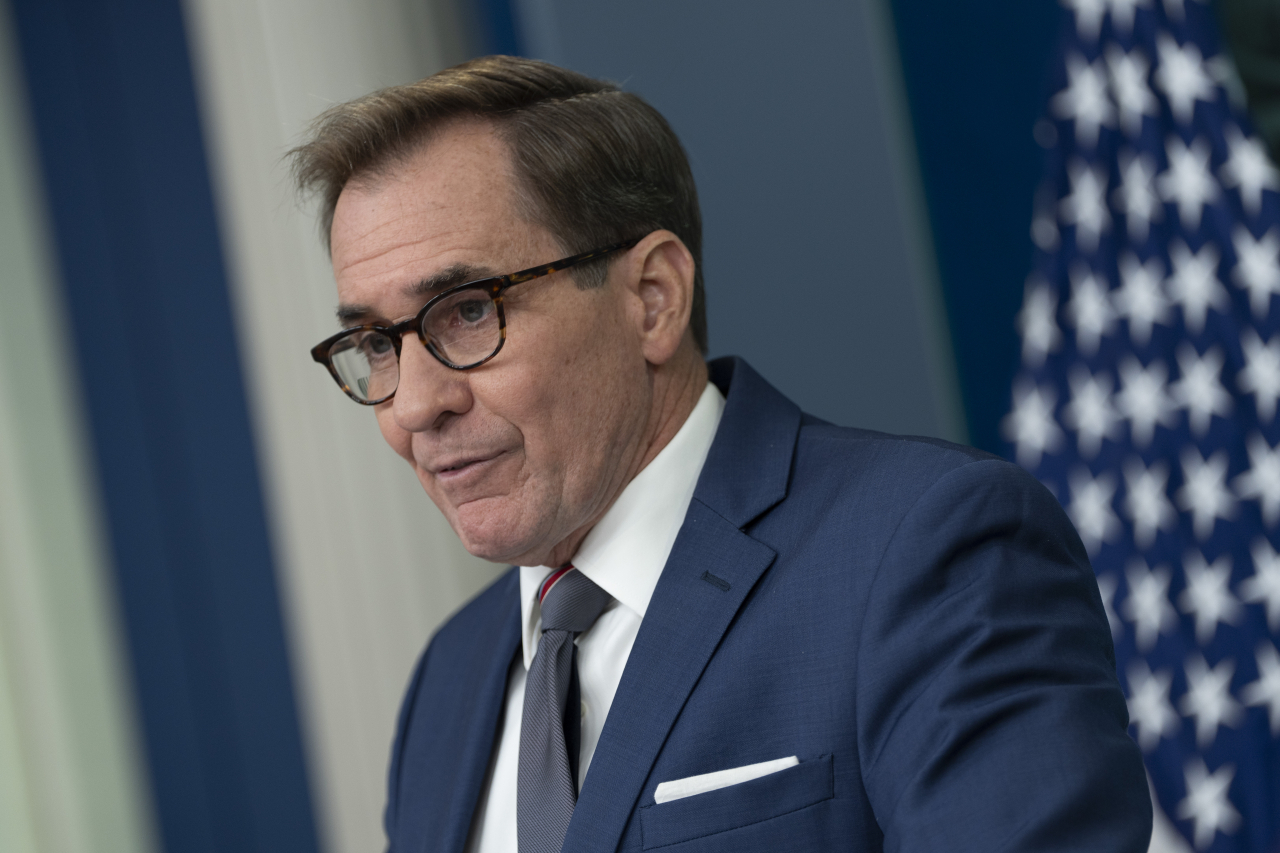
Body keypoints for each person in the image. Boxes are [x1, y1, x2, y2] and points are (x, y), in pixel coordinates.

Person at [291, 55, 1152, 853]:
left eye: (468, 311)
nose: (413, 405)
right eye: (375, 342)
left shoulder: (930, 550)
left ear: (653, 298)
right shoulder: (449, 679)